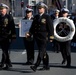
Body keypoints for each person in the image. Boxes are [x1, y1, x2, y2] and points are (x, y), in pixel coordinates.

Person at [26, 2, 54, 72]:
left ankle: (36, 65)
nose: (39, 9)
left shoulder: (47, 17)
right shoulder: (36, 17)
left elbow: (51, 27)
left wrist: (51, 37)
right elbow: (33, 27)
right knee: (43, 52)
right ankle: (46, 65)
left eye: (40, 8)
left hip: (44, 37)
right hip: (37, 37)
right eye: (38, 8)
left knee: (41, 51)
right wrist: (30, 33)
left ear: (44, 9)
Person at [0, 3, 16, 69]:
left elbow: (12, 28)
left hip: (7, 37)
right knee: (4, 51)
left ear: (6, 10)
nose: (1, 11)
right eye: (0, 10)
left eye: (3, 9)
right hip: (0, 37)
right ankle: (8, 63)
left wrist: (13, 36)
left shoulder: (9, 17)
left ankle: (2, 64)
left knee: (5, 51)